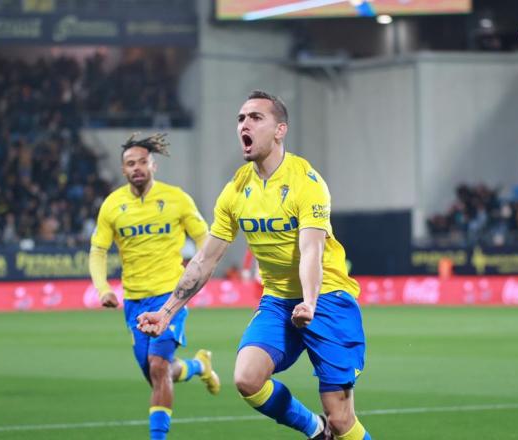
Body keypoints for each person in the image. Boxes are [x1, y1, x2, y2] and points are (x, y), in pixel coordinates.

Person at [137, 91, 372, 440]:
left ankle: (329, 427)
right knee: (246, 378)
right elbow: (205, 259)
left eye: (255, 118)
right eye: (240, 118)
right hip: (278, 302)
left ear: (280, 130)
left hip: (327, 299)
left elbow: (310, 250)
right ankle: (314, 430)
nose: (244, 124)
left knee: (341, 418)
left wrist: (309, 300)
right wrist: (167, 311)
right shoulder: (236, 190)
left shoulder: (307, 183)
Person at [88, 133, 221, 440]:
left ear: (153, 165)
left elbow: (205, 237)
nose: (137, 167)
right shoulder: (112, 205)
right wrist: (102, 289)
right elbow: (97, 250)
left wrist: (200, 271)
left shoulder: (177, 198)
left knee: (158, 367)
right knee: (158, 372)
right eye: (130, 163)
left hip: (169, 296)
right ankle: (199, 366)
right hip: (134, 300)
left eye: (142, 162)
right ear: (123, 169)